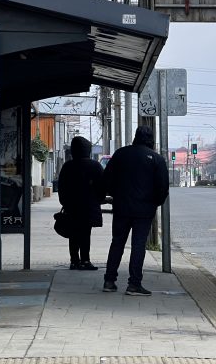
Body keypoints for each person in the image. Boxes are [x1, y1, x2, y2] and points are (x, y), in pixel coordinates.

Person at [102, 126, 169, 296]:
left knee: (117, 242)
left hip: (121, 207)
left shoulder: (120, 154)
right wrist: (155, 202)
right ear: (151, 139)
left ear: (135, 137)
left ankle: (109, 281)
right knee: (138, 245)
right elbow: (162, 187)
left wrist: (115, 195)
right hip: (144, 210)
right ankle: (134, 284)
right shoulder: (156, 159)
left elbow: (106, 179)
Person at [58, 136, 105, 270]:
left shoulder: (68, 166)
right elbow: (102, 187)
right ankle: (85, 260)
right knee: (85, 233)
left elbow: (61, 188)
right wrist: (98, 200)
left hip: (72, 207)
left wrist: (65, 203)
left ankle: (74, 260)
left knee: (73, 234)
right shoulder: (95, 166)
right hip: (89, 208)